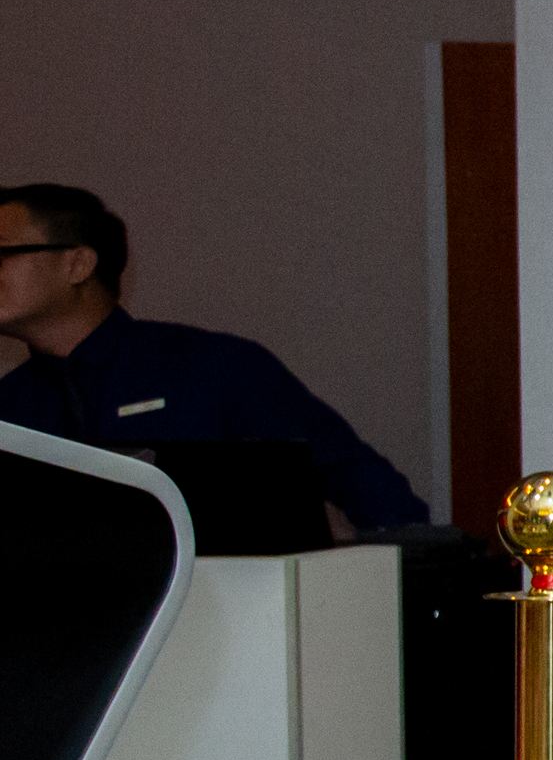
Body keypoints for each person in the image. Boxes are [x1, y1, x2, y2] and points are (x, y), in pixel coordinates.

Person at [0, 182, 428, 531]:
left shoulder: (210, 367)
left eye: (3, 254)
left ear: (78, 264)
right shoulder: (11, 405)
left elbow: (364, 486)